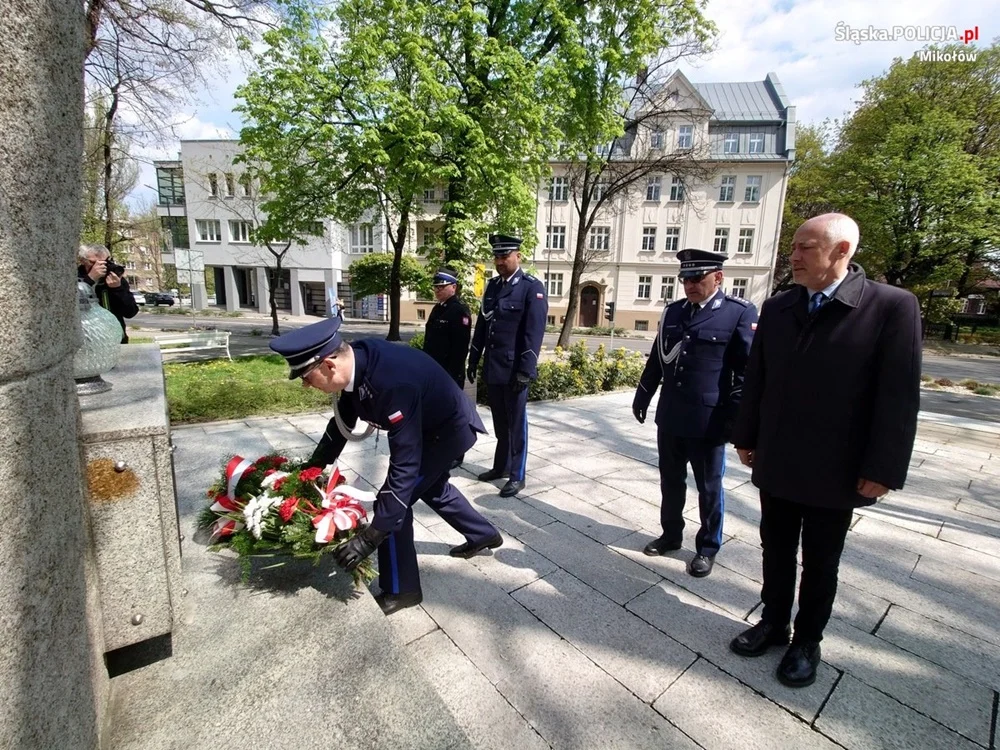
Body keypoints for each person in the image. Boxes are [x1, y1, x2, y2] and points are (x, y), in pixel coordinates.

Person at [729, 213, 921, 688]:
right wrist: (746, 435)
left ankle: (806, 641)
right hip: (778, 456)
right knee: (774, 548)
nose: (792, 256)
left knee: (820, 560)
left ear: (842, 251)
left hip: (836, 466)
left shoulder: (891, 307)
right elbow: (758, 378)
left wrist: (884, 468)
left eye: (806, 247)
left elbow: (898, 397)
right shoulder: (778, 307)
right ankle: (774, 622)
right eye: (793, 245)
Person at [270, 317, 503, 615]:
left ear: (329, 365)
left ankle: (402, 589)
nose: (305, 385)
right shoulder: (356, 361)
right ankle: (483, 534)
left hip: (446, 431)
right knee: (432, 488)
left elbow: (405, 465)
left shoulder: (393, 384)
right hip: (429, 422)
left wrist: (371, 536)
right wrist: (314, 467)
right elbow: (342, 419)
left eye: (306, 376)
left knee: (394, 504)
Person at [631, 248, 757, 578]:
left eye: (696, 278)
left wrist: (735, 420)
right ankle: (671, 535)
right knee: (670, 483)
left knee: (709, 488)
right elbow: (658, 358)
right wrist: (643, 395)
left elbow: (746, 373)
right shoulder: (673, 312)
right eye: (685, 279)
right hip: (671, 417)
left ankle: (707, 547)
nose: (689, 285)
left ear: (718, 277)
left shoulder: (737, 313)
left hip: (709, 422)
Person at [467, 234, 547, 498]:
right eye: (497, 257)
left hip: (515, 371)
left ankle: (517, 475)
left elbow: (533, 334)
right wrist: (474, 357)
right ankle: (501, 466)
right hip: (494, 368)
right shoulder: (492, 287)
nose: (500, 261)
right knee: (501, 423)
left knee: (516, 424)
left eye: (505, 256)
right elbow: (483, 326)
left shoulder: (530, 287)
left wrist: (526, 370)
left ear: (518, 256)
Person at [423, 267, 473, 470]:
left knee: (453, 415)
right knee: (437, 414)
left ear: (453, 287)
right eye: (436, 287)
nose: (437, 290)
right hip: (433, 372)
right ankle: (439, 447)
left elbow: (460, 348)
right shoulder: (438, 309)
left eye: (441, 287)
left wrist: (451, 375)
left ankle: (457, 452)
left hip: (449, 374)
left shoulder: (460, 310)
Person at [77, 243, 139, 343]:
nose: (100, 267)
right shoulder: (75, 278)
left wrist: (117, 289)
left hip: (115, 340)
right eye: (93, 263)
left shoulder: (114, 277)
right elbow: (74, 306)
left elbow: (130, 312)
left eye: (104, 262)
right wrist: (89, 280)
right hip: (88, 340)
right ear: (82, 260)